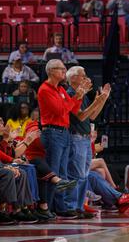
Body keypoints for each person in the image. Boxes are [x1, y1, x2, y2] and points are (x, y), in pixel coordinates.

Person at [37, 59, 90, 219]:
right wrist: (76, 98)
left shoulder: (60, 89)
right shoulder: (45, 89)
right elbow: (61, 110)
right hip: (52, 132)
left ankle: (61, 207)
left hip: (63, 132)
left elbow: (72, 108)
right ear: (51, 71)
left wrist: (79, 96)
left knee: (63, 173)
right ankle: (45, 206)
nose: (64, 71)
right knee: (53, 172)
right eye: (61, 68)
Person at [65, 66, 110, 218]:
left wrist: (102, 99)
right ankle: (71, 206)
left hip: (84, 138)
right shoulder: (71, 93)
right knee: (76, 175)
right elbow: (81, 116)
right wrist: (96, 101)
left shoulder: (82, 94)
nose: (85, 78)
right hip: (75, 137)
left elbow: (93, 115)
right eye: (82, 75)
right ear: (72, 78)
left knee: (83, 175)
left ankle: (79, 207)